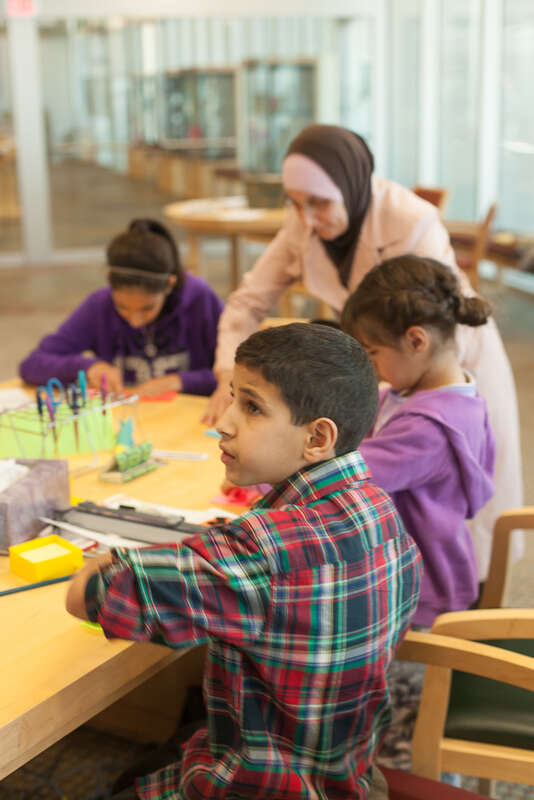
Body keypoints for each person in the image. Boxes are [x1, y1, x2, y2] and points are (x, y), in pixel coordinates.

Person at [66, 323, 422, 800]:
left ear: (317, 438)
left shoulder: (261, 551)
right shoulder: (381, 512)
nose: (224, 422)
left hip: (258, 786)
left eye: (252, 407)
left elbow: (88, 594)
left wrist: (112, 559)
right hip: (347, 774)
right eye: (232, 398)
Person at [203, 123, 523, 588]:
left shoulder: (409, 220)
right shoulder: (305, 217)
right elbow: (249, 300)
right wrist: (226, 375)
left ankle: (459, 602)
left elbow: (423, 328)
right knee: (421, 503)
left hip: (447, 359)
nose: (307, 218)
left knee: (451, 508)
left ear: (349, 183)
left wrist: (274, 473)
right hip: (393, 364)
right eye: (295, 203)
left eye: (318, 203)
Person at [342, 254, 495, 625]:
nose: (370, 365)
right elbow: (363, 420)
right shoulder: (437, 393)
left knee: (405, 683)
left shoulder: (431, 428)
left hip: (419, 594)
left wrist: (273, 470)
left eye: (372, 352)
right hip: (414, 575)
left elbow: (350, 475)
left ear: (415, 341)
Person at [19, 218, 224, 397]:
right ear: (110, 283)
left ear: (169, 285)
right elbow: (32, 365)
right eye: (123, 308)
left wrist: (180, 381)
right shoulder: (99, 305)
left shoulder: (200, 300)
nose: (135, 321)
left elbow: (242, 374)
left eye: (147, 309)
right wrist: (89, 367)